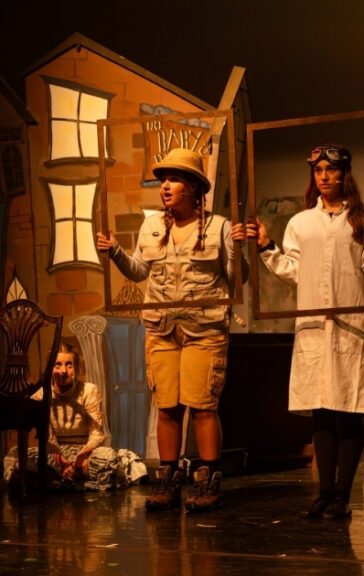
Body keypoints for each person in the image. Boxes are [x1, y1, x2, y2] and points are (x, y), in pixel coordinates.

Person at [246, 144, 364, 519]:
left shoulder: (361, 218)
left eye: (331, 169)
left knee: (350, 408)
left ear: (346, 173)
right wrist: (266, 246)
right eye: (318, 171)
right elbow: (294, 270)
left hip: (349, 326)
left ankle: (343, 495)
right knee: (323, 411)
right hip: (313, 327)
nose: (324, 176)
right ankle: (324, 491)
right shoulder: (301, 222)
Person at [96, 147, 248, 512]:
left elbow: (235, 281)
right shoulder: (152, 227)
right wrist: (114, 251)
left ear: (194, 187)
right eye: (163, 180)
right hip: (162, 329)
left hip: (204, 329)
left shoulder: (220, 227)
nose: (166, 186)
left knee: (202, 406)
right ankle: (167, 478)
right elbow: (139, 271)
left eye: (175, 179)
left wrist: (238, 248)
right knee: (166, 407)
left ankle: (208, 477)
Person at [3, 342, 147, 491]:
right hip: (55, 452)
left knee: (114, 458)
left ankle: (56, 480)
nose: (63, 371)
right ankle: (62, 477)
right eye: (57, 365)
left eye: (69, 365)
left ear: (76, 368)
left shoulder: (88, 390)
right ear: (50, 368)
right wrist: (62, 463)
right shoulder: (41, 394)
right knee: (18, 456)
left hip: (86, 451)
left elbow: (97, 432)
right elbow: (48, 437)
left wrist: (82, 457)